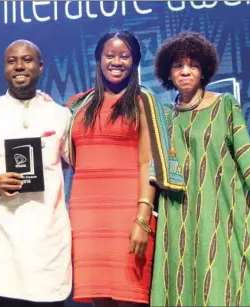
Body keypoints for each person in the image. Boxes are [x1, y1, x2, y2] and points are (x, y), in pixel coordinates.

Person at [64, 31, 184, 307]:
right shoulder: (77, 105)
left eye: (124, 56)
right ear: (98, 60)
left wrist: (142, 217)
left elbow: (148, 162)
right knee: (101, 300)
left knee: (133, 297)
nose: (116, 61)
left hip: (129, 215)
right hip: (87, 218)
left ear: (134, 62)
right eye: (110, 55)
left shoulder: (143, 101)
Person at [151, 31, 250, 307]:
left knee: (224, 277)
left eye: (193, 65)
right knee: (183, 274)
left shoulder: (225, 105)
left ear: (204, 70)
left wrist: (248, 213)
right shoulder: (164, 116)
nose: (185, 71)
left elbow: (248, 162)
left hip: (223, 207)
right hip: (179, 213)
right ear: (169, 73)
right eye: (178, 66)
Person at [0, 39, 72, 307]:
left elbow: (77, 161)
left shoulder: (60, 115)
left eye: (27, 60)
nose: (19, 66)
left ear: (41, 66)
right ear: (4, 68)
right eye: (12, 61)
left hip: (48, 236)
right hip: (3, 236)